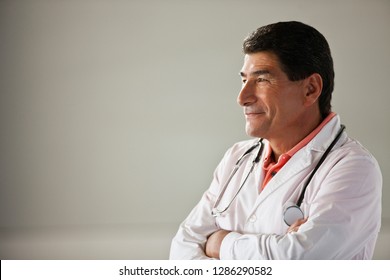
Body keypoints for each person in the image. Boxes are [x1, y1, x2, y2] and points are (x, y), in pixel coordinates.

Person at [169, 21, 382, 260]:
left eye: (261, 80)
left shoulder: (354, 167)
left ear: (310, 89)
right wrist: (274, 249)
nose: (242, 97)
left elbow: (296, 261)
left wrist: (220, 243)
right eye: (243, 80)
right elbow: (182, 251)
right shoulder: (237, 157)